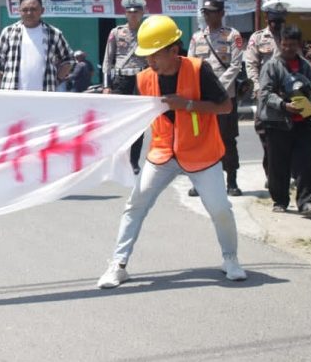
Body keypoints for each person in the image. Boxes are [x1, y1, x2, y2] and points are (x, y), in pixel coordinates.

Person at [97, 15, 247, 289]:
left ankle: (230, 259)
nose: (149, 61)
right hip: (162, 154)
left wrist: (187, 105)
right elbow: (131, 116)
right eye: (146, 55)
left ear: (173, 50)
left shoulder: (198, 69)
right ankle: (118, 265)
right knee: (135, 206)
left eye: (154, 55)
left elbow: (225, 107)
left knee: (220, 209)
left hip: (202, 154)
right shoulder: (143, 78)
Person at [257, 25, 311, 216]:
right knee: (278, 165)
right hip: (277, 124)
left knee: (305, 164)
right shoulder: (271, 66)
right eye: (284, 44)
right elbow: (265, 94)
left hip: (303, 122)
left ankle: (307, 203)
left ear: (299, 44)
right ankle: (280, 201)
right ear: (280, 43)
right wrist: (284, 105)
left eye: (292, 45)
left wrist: (309, 98)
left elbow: (310, 88)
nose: (288, 48)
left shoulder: (305, 66)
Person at [187, 0, 244, 197]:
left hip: (225, 96)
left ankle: (232, 181)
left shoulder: (232, 35)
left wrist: (218, 87)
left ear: (221, 13)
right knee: (201, 139)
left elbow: (236, 65)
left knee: (227, 139)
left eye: (210, 12)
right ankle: (200, 182)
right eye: (205, 12)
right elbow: (191, 65)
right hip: (203, 98)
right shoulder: (197, 37)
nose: (207, 15)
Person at [102, 0, 149, 174]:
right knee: (119, 122)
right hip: (121, 81)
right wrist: (106, 85)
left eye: (136, 11)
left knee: (138, 122)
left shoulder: (147, 32)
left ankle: (134, 161)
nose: (133, 15)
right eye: (130, 12)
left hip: (141, 79)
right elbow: (108, 60)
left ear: (142, 13)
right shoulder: (116, 32)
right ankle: (117, 159)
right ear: (125, 14)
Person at [0, 0, 73, 91]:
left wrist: (56, 79)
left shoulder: (54, 33)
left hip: (44, 95)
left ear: (42, 10)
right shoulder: (8, 32)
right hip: (12, 94)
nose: (29, 13)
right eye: (25, 10)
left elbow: (69, 60)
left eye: (33, 9)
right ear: (19, 11)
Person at [244, 0, 289, 181]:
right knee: (266, 137)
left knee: (287, 136)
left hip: (286, 94)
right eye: (274, 20)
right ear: (267, 18)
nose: (277, 25)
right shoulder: (258, 38)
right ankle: (271, 175)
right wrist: (257, 88)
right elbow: (251, 65)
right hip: (265, 93)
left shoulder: (289, 36)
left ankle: (284, 175)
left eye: (280, 21)